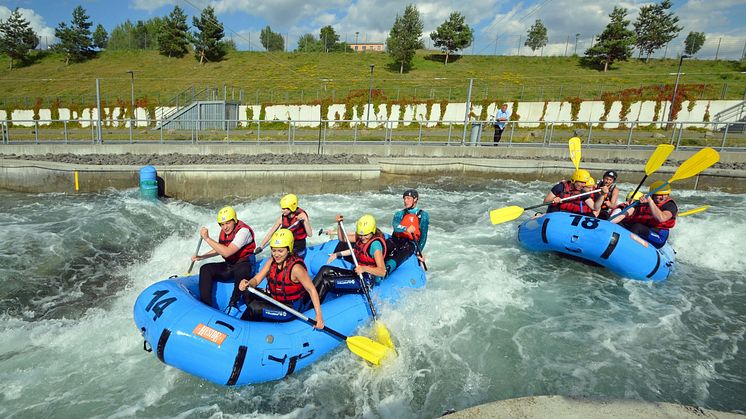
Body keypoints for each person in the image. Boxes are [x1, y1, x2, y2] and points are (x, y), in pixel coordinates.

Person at [237, 229, 324, 327]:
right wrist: (248, 284)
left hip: (290, 309)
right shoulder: (271, 261)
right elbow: (256, 280)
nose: (276, 254)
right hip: (277, 301)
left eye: (280, 251)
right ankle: (261, 320)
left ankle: (241, 328)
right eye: (273, 250)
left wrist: (319, 316)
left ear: (289, 249)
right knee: (248, 292)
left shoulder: (296, 268)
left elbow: (311, 289)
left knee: (254, 308)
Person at [192, 206, 256, 308]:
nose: (225, 227)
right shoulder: (225, 232)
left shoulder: (243, 232)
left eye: (227, 223)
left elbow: (227, 252)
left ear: (234, 220)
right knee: (205, 269)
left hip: (246, 264)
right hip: (230, 265)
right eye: (222, 224)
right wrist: (202, 257)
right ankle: (205, 304)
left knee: (241, 270)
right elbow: (220, 248)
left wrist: (207, 238)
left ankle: (234, 303)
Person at [321, 214, 388, 292]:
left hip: (368, 280)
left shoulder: (375, 246)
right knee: (324, 270)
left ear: (372, 232)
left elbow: (382, 271)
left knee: (326, 282)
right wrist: (339, 224)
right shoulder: (361, 238)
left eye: (365, 235)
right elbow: (342, 239)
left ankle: (314, 304)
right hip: (357, 273)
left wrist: (364, 268)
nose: (362, 238)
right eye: (361, 235)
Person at [610, 181, 678, 248]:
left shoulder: (670, 205)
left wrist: (650, 201)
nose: (663, 197)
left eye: (666, 194)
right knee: (620, 222)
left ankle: (628, 248)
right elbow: (623, 215)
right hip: (641, 230)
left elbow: (661, 218)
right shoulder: (642, 202)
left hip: (658, 236)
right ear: (653, 194)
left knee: (638, 227)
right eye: (659, 195)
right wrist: (608, 222)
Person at [387, 189, 430, 273]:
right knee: (386, 245)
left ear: (415, 199)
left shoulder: (423, 215)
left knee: (402, 252)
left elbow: (423, 236)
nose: (405, 201)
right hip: (396, 239)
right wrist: (406, 228)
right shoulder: (399, 214)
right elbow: (396, 227)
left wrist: (418, 251)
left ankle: (387, 269)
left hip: (410, 243)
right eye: (404, 198)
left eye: (408, 198)